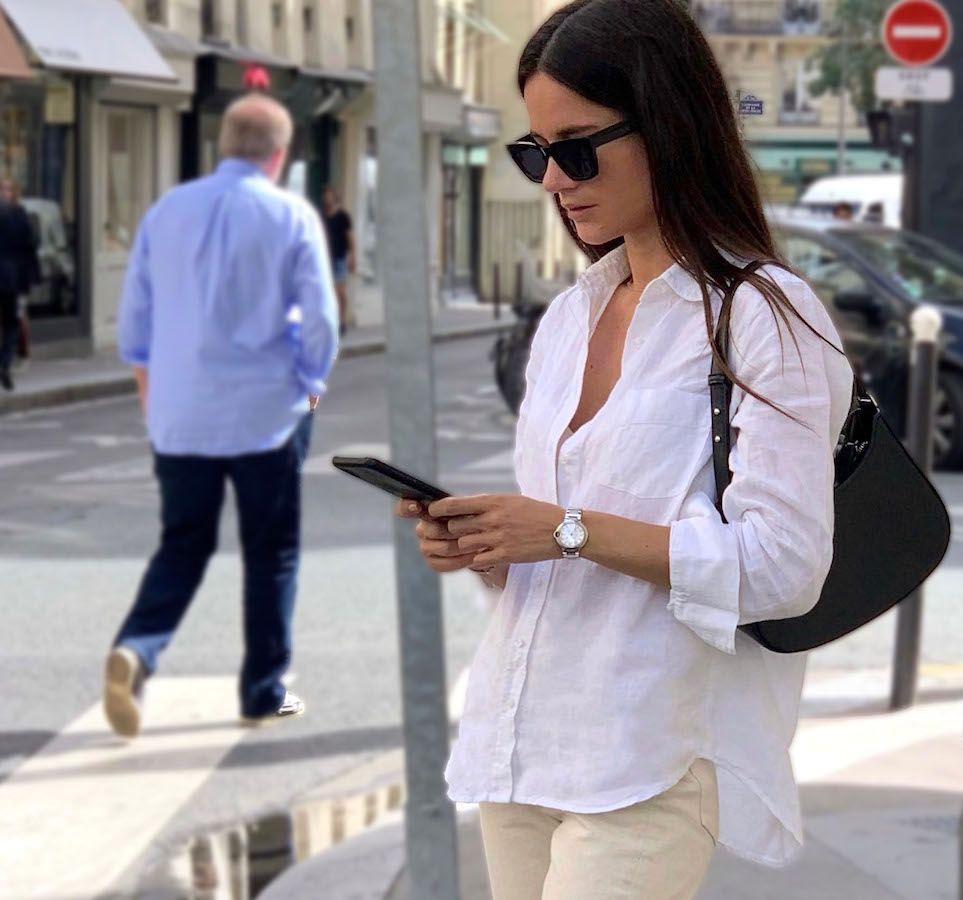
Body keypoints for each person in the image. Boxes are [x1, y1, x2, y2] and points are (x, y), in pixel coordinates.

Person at [396, 1, 854, 897]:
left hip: (649, 756)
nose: (552, 179)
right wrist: (491, 545)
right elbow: (558, 555)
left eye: (577, 149)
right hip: (522, 741)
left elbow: (786, 568)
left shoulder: (765, 317)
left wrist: (565, 529)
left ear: (668, 127)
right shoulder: (571, 317)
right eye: (535, 152)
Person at [104, 94, 339, 739]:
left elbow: (134, 323)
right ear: (279, 156)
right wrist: (312, 385)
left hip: (181, 414)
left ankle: (136, 648)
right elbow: (320, 320)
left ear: (222, 146)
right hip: (268, 415)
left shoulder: (166, 212)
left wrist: (151, 393)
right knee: (272, 554)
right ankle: (261, 692)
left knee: (182, 544)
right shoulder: (290, 215)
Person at [0, 177, 38, 391]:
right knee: (10, 324)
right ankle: (4, 363)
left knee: (11, 323)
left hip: (10, 278)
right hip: (11, 279)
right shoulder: (18, 213)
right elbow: (30, 244)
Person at [321, 185, 355, 335]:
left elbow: (350, 238)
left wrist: (353, 257)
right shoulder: (322, 216)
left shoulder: (343, 216)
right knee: (331, 292)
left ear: (335, 197)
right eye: (325, 196)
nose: (326, 198)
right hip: (326, 258)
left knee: (341, 292)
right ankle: (334, 322)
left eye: (329, 195)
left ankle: (342, 320)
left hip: (340, 258)